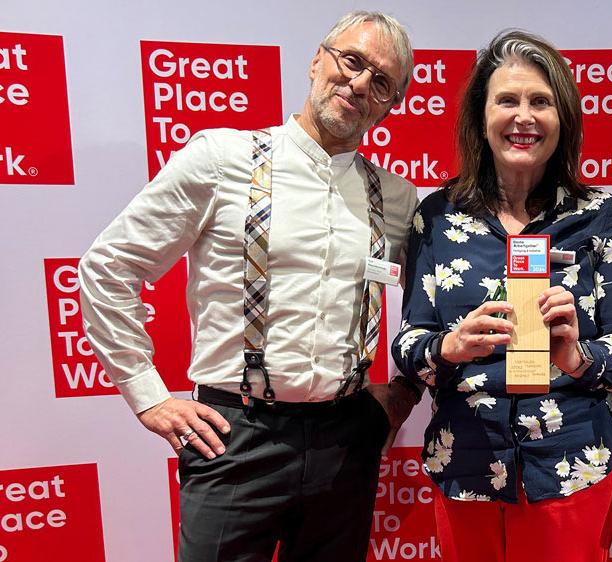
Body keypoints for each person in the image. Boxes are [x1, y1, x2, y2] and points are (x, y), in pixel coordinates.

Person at [78, 11, 420, 562]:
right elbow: (108, 266)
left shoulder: (399, 199)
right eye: (351, 61)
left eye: (382, 81)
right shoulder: (221, 158)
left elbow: (447, 297)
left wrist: (405, 391)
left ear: (392, 103)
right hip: (234, 437)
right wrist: (148, 396)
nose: (359, 84)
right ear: (317, 60)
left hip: (347, 439)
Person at [391, 30, 612, 562]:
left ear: (564, 119)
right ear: (481, 116)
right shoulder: (437, 216)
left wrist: (581, 357)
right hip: (466, 464)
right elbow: (408, 343)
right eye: (507, 100)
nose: (523, 117)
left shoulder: (600, 214)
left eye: (541, 101)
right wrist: (449, 347)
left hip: (571, 465)